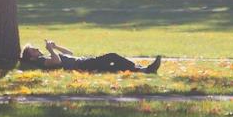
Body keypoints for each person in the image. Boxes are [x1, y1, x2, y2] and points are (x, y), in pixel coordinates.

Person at [19, 40, 161, 74]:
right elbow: (57, 62)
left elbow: (69, 53)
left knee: (115, 68)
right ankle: (146, 69)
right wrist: (50, 50)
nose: (37, 49)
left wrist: (55, 47)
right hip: (82, 65)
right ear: (31, 57)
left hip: (83, 62)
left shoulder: (44, 57)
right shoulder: (41, 61)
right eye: (33, 50)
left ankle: (145, 70)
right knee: (112, 56)